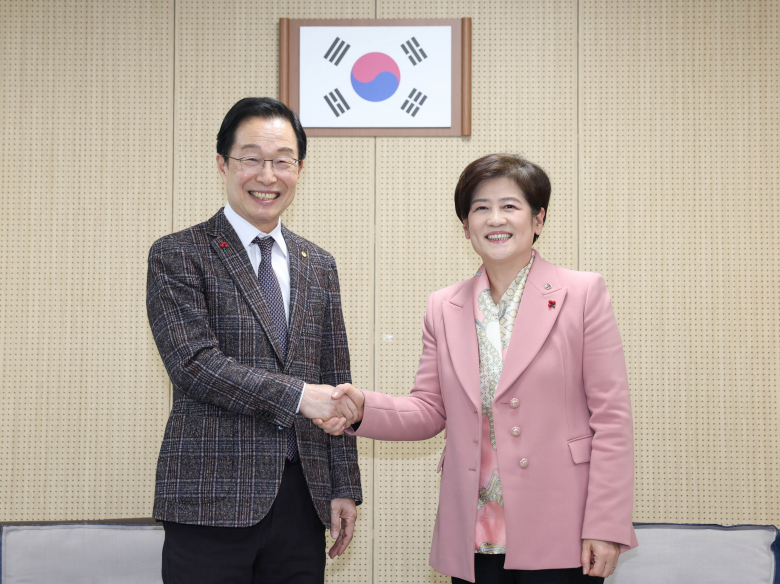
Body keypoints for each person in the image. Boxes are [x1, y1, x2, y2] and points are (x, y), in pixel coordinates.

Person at [316, 154, 638, 583]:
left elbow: (612, 420)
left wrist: (605, 524)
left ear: (538, 219)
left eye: (510, 206)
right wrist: (362, 409)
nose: (495, 218)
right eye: (481, 208)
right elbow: (430, 409)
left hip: (563, 524)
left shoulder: (582, 294)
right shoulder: (443, 306)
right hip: (476, 529)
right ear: (466, 227)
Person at [146, 97, 362, 584]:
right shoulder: (178, 254)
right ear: (223, 164)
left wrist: (343, 484)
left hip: (303, 498)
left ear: (300, 169)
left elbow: (335, 377)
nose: (268, 176)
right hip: (210, 497)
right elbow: (194, 364)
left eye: (283, 161)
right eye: (252, 159)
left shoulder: (318, 264)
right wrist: (300, 396)